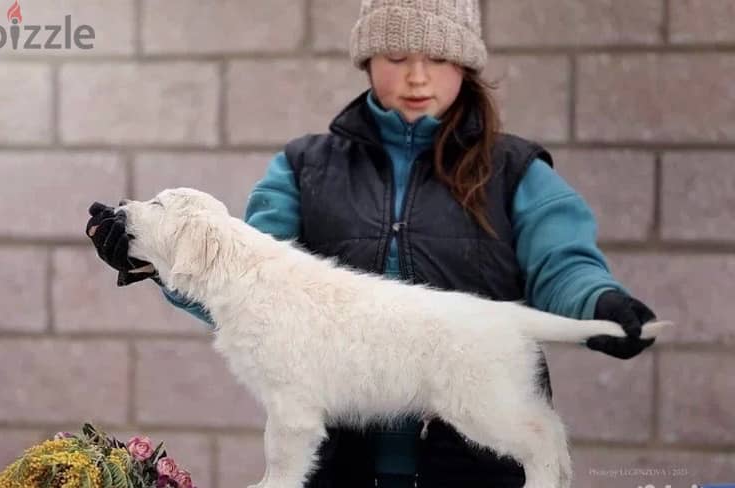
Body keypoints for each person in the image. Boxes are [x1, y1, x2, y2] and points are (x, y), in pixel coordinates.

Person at [86, 1, 659, 486]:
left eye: (437, 58)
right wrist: (154, 257)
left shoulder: (515, 170)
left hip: (471, 468)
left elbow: (562, 264)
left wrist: (598, 303)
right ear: (366, 60)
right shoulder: (303, 167)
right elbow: (237, 279)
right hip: (343, 466)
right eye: (396, 57)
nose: (417, 77)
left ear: (467, 64)